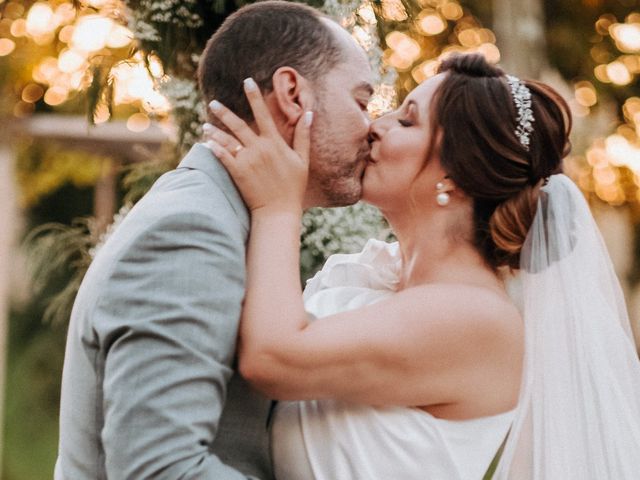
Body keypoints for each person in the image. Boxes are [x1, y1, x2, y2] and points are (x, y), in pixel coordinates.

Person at [204, 53, 640, 479]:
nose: (375, 126)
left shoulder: (474, 318)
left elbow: (271, 359)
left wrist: (278, 206)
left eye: (407, 120)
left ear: (456, 174)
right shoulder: (377, 279)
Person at [54, 2, 374, 479]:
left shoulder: (223, 215)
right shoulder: (190, 229)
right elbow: (161, 469)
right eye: (362, 101)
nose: (371, 128)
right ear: (292, 94)